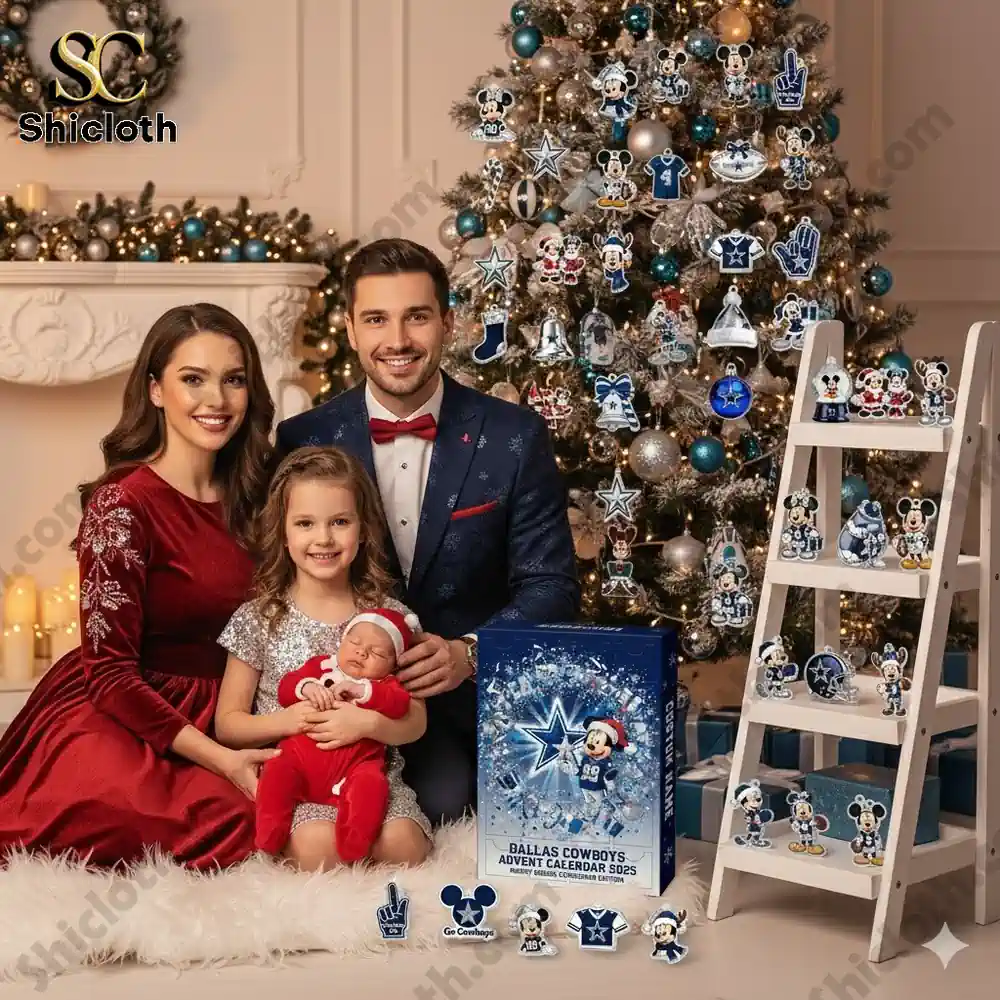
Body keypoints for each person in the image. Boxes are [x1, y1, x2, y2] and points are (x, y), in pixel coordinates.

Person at [274, 238, 580, 830]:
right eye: (376, 319)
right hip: (335, 700)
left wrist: (470, 653)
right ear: (351, 329)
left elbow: (552, 586)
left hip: (467, 700)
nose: (397, 340)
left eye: (416, 316)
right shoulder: (302, 439)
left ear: (448, 321)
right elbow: (279, 579)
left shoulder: (515, 435)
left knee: (459, 813)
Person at [0, 304, 277, 869]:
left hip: (238, 706)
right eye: (192, 379)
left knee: (300, 814)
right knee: (211, 824)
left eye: (233, 379)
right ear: (155, 390)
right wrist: (222, 760)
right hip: (130, 708)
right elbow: (109, 673)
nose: (216, 400)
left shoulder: (265, 492)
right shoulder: (122, 505)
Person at [215, 448, 431, 870]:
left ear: (363, 529)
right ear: (283, 534)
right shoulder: (258, 617)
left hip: (369, 774)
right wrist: (292, 720)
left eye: (340, 522)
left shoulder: (388, 618)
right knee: (317, 846)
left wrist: (368, 724)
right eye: (305, 524)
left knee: (403, 844)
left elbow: (416, 721)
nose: (324, 539)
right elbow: (228, 724)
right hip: (300, 780)